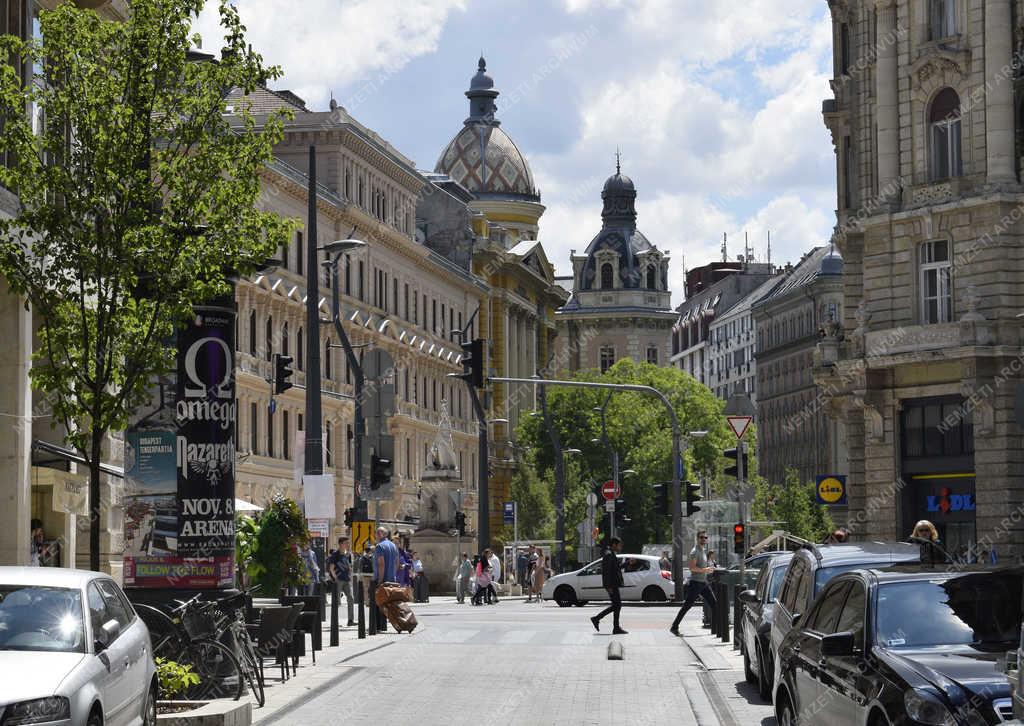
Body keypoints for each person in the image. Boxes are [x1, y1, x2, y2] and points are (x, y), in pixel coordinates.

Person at [670, 530, 716, 636]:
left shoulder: (703, 550)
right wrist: (705, 570)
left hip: (703, 583)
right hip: (696, 583)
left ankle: (716, 627)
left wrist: (708, 569)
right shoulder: (695, 551)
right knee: (687, 606)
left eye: (705, 537)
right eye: (701, 537)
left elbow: (702, 567)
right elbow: (692, 568)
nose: (703, 539)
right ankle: (674, 626)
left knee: (714, 604)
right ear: (697, 538)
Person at [590, 538, 627, 634]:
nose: (620, 547)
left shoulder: (611, 554)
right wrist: (608, 586)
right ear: (614, 545)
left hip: (613, 584)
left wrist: (627, 564)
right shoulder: (609, 554)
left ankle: (613, 626)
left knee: (616, 605)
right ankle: (598, 619)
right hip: (611, 584)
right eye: (619, 545)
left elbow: (616, 568)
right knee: (617, 605)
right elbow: (606, 572)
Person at [373, 527, 399, 631]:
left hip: (383, 579)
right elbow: (397, 562)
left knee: (380, 602)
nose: (375, 535)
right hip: (392, 578)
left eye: (376, 533)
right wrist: (393, 573)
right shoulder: (393, 545)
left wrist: (380, 580)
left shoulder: (379, 546)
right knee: (390, 603)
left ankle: (380, 626)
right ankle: (396, 622)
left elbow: (381, 564)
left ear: (380, 534)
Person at [328, 536, 356, 626]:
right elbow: (331, 568)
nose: (348, 545)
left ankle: (350, 620)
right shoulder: (335, 555)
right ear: (340, 544)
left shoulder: (347, 554)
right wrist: (335, 578)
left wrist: (350, 575)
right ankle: (335, 621)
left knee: (351, 599)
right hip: (339, 580)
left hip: (347, 580)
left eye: (348, 543)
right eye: (346, 543)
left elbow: (349, 567)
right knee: (336, 601)